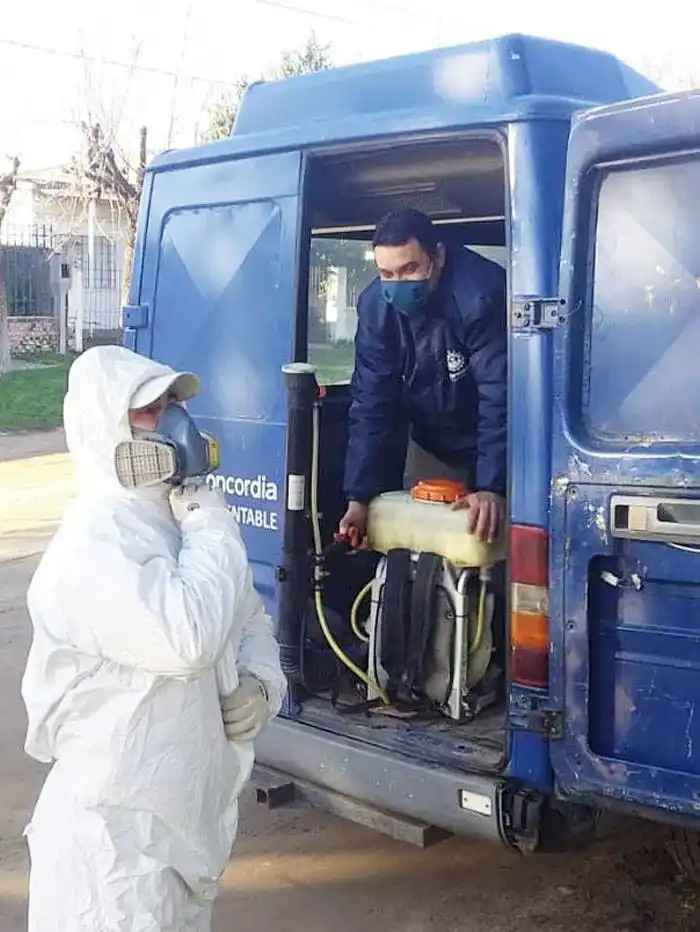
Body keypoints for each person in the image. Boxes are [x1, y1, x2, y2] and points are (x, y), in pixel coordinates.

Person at [21, 344, 286, 932]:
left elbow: (247, 617)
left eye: (171, 402)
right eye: (150, 410)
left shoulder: (178, 518)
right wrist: (212, 516)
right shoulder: (94, 545)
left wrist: (264, 684)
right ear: (106, 426)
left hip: (182, 838)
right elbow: (187, 639)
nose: (173, 421)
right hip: (112, 854)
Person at [340, 208, 507, 545]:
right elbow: (372, 401)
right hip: (433, 442)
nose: (398, 283)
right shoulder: (376, 307)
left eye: (410, 269)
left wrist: (493, 487)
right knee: (424, 542)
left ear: (439, 257)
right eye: (386, 272)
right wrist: (359, 496)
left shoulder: (481, 297)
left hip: (498, 441)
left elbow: (500, 394)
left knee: (492, 540)